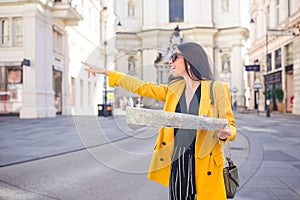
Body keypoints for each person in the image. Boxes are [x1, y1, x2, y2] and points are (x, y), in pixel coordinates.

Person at [82, 42, 236, 200]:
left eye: (175, 57)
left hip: (205, 161)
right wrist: (106, 72)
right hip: (178, 158)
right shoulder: (174, 88)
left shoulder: (217, 88)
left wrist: (225, 133)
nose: (170, 61)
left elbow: (230, 126)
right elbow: (142, 87)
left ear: (190, 60)